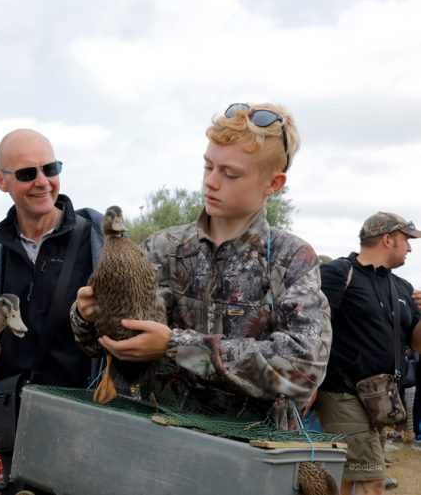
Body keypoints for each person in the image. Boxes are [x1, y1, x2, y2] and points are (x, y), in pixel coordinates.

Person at [72, 102, 331, 429]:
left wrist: (175, 346)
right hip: (154, 436)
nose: (211, 182)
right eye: (208, 167)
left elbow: (302, 369)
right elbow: (96, 345)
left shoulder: (291, 258)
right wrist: (87, 317)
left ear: (273, 184)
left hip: (250, 453)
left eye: (230, 173)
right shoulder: (164, 247)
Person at [0, 128, 105, 494]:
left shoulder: (94, 237)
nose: (43, 182)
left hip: (83, 414)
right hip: (15, 417)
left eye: (50, 167)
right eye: (28, 173)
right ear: (1, 181)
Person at [317, 212, 421, 495]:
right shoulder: (338, 274)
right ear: (388, 239)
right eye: (406, 240)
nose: (410, 248)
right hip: (342, 393)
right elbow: (313, 331)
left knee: (346, 479)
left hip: (382, 401)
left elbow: (417, 344)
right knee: (371, 479)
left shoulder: (402, 287)